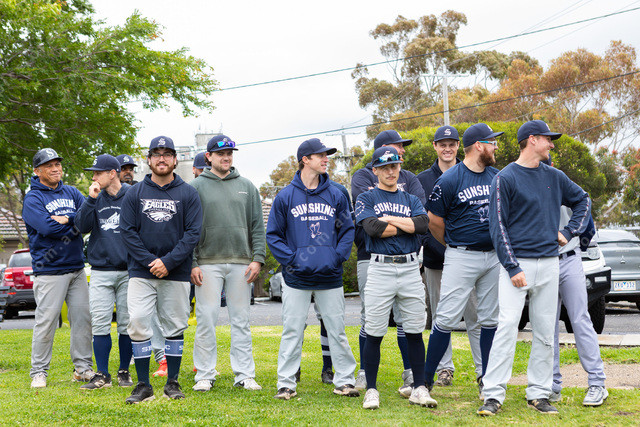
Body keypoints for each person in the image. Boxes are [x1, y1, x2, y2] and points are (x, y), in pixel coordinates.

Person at [478, 120, 591, 416]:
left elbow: (583, 200)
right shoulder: (505, 178)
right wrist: (512, 266)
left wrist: (568, 232)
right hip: (517, 266)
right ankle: (493, 395)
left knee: (544, 331)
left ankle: (539, 393)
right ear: (532, 140)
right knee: (507, 327)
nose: (552, 144)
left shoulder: (554, 176)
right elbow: (497, 226)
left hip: (550, 264)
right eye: (547, 139)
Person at [266, 138, 358, 400]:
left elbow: (347, 229)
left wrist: (336, 257)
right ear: (305, 160)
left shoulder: (336, 194)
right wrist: (293, 260)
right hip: (296, 277)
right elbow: (273, 235)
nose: (326, 159)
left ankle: (344, 381)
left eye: (326, 155)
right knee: (292, 330)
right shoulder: (285, 196)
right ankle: (286, 384)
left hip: (330, 276)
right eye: (320, 155)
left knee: (337, 330)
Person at [120, 136, 203, 403]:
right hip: (141, 272)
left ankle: (172, 383)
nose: (162, 158)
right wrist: (150, 262)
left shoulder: (188, 193)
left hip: (176, 271)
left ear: (175, 159)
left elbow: (193, 233)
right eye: (156, 154)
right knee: (138, 322)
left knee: (174, 325)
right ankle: (143, 385)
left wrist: (168, 262)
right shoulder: (134, 193)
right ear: (149, 159)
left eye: (167, 154)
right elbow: (127, 232)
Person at [423, 123, 502, 398]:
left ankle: (487, 381)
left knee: (489, 319)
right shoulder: (450, 179)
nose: (495, 147)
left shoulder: (497, 176)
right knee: (445, 318)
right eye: (492, 142)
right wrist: (454, 244)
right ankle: (425, 382)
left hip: (493, 257)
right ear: (479, 145)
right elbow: (434, 220)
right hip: (461, 255)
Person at [355, 146, 433, 410]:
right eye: (385, 167)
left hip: (410, 267)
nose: (391, 171)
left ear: (400, 167)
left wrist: (390, 219)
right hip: (380, 267)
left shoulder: (411, 198)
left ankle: (419, 387)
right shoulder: (366, 198)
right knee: (374, 330)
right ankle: (371, 389)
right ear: (375, 170)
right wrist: (404, 224)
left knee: (414, 329)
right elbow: (373, 228)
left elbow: (422, 225)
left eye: (395, 165)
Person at [191, 135, 266, 392]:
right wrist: (192, 262)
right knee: (206, 319)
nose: (226, 157)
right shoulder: (195, 187)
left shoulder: (247, 186)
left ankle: (245, 374)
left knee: (241, 320)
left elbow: (257, 226)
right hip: (206, 263)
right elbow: (188, 228)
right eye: (221, 153)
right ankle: (204, 374)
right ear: (208, 157)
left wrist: (258, 259)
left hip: (241, 263)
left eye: (230, 153)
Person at [416, 125, 482, 387]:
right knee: (441, 316)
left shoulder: (471, 172)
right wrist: (446, 250)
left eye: (452, 144)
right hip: (437, 261)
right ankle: (444, 369)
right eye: (442, 144)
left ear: (458, 146)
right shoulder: (422, 180)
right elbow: (423, 223)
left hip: (469, 260)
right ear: (435, 146)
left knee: (476, 316)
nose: (447, 148)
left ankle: (483, 370)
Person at [22, 148, 94, 388]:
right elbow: (47, 228)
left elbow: (87, 221)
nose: (55, 169)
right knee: (47, 322)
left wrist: (69, 219)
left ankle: (83, 369)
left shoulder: (72, 192)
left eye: (57, 164)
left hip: (76, 268)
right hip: (49, 270)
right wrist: (75, 222)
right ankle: (38, 372)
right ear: (37, 171)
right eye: (49, 165)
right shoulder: (33, 199)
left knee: (82, 320)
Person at [544, 156, 607, 407]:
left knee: (580, 319)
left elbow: (586, 218)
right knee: (547, 325)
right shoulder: (526, 184)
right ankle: (552, 385)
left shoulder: (563, 183)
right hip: (543, 262)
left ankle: (597, 383)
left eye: (546, 165)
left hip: (569, 258)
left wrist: (575, 239)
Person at [75, 154, 134, 390]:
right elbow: (81, 226)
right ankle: (102, 375)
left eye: (98, 173)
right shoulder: (94, 197)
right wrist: (90, 199)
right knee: (100, 324)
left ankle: (124, 371)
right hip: (100, 270)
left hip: (129, 271)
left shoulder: (132, 194)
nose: (94, 177)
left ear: (112, 173)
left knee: (126, 325)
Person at [117, 153, 166, 376]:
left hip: (142, 265)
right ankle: (132, 356)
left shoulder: (140, 191)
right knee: (130, 317)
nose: (128, 172)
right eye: (123, 168)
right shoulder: (107, 195)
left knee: (151, 315)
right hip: (118, 265)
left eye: (130, 168)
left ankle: (161, 356)